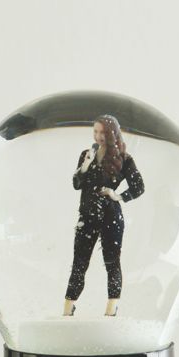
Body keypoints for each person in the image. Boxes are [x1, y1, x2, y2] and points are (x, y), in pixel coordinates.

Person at [63, 115, 145, 318]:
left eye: (102, 132)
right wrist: (85, 165)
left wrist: (118, 195)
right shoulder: (86, 154)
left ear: (112, 134)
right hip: (87, 215)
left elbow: (138, 186)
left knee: (112, 262)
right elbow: (76, 184)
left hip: (111, 216)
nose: (98, 136)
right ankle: (68, 308)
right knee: (79, 263)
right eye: (95, 131)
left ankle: (111, 308)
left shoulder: (124, 158)